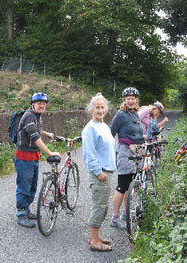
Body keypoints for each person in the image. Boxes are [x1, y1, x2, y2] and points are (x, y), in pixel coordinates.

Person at [14, 92, 60, 228]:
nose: (42, 106)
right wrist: (50, 152)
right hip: (24, 157)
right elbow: (34, 136)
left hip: (33, 157)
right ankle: (21, 214)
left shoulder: (36, 116)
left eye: (44, 103)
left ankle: (26, 210)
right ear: (32, 105)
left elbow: (37, 129)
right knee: (24, 186)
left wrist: (47, 134)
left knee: (32, 186)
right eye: (39, 103)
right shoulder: (28, 116)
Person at [82, 93, 116, 252]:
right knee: (99, 206)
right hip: (100, 174)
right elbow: (89, 156)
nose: (100, 110)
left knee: (103, 206)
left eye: (103, 107)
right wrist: (99, 173)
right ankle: (94, 241)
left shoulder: (103, 125)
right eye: (97, 107)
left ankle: (95, 236)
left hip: (107, 171)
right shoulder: (89, 129)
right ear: (91, 109)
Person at [110, 87, 144, 230]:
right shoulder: (121, 114)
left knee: (131, 183)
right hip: (125, 151)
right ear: (124, 100)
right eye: (128, 98)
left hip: (138, 151)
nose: (131, 100)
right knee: (122, 185)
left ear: (136, 100)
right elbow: (111, 133)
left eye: (133, 98)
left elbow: (139, 132)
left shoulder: (135, 114)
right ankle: (115, 218)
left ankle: (125, 213)